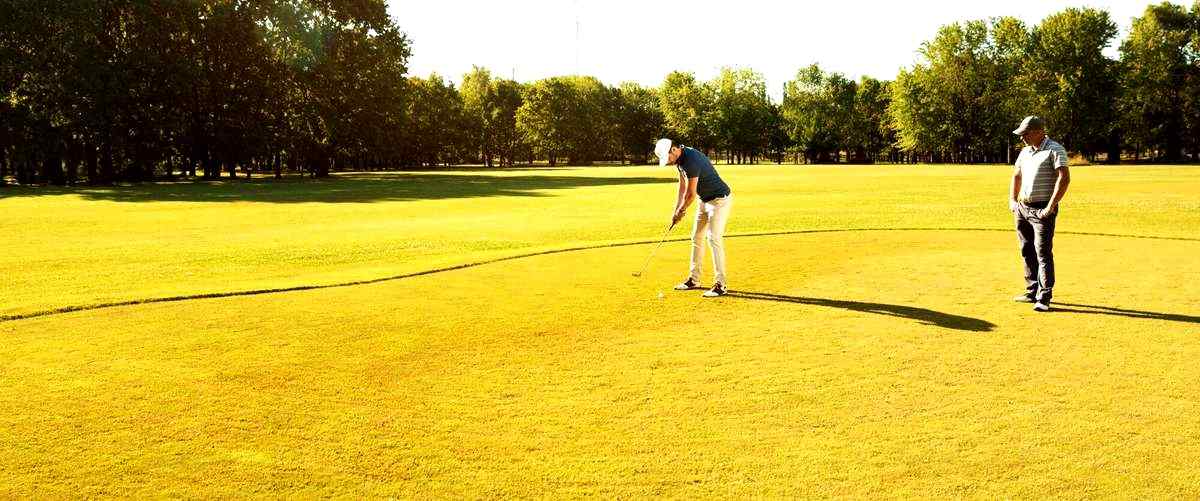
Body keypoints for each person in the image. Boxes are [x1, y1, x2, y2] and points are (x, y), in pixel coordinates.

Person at [654, 138, 733, 298]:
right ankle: (694, 279)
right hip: (704, 200)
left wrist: (682, 210)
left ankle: (721, 285)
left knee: (713, 238)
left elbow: (690, 194)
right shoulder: (680, 160)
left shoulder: (691, 160)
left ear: (674, 150)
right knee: (696, 237)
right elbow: (682, 187)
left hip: (719, 200)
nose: (668, 162)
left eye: (668, 158)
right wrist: (676, 210)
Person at [1009, 116, 1071, 312]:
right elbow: (1016, 175)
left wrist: (1051, 206)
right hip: (1022, 208)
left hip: (1043, 208)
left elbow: (1064, 178)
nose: (1022, 138)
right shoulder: (1025, 151)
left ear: (1037, 131)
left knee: (1042, 252)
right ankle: (1032, 290)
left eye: (1025, 134)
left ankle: (1044, 297)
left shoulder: (1055, 149)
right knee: (1026, 249)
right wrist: (1013, 200)